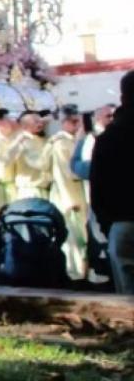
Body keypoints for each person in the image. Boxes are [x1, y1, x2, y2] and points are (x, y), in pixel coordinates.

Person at [91, 71, 134, 294]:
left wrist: (107, 224)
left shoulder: (108, 137)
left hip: (122, 224)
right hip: (121, 222)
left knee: (128, 300)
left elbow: (97, 185)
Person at [71, 104, 116, 284]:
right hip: (99, 199)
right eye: (108, 116)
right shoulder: (92, 139)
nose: (112, 119)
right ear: (98, 119)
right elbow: (83, 168)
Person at [49, 106, 88, 280]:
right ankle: (75, 274)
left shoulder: (75, 140)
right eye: (73, 121)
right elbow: (62, 172)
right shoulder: (60, 142)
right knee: (72, 236)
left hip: (79, 191)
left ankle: (83, 271)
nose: (77, 125)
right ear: (64, 123)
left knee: (83, 235)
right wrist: (69, 200)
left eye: (78, 121)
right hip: (69, 194)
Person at [0, 108, 23, 214]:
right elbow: (2, 163)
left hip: (16, 186)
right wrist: (17, 143)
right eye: (9, 120)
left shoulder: (13, 136)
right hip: (3, 190)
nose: (13, 123)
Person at [15, 111, 52, 200]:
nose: (40, 123)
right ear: (24, 125)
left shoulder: (42, 139)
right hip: (31, 190)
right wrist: (52, 143)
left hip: (44, 188)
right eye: (36, 121)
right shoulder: (24, 141)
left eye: (40, 120)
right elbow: (41, 164)